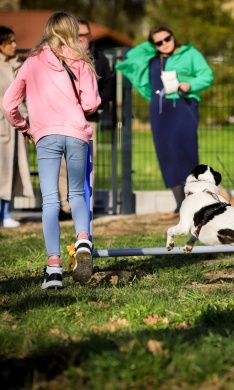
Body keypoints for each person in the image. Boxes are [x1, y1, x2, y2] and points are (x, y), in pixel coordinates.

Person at [2, 12, 101, 289]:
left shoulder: (31, 62)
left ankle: (54, 268)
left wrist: (25, 127)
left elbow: (9, 104)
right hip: (76, 132)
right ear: (71, 31)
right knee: (77, 193)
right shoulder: (80, 59)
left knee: (50, 201)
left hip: (45, 135)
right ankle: (83, 239)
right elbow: (92, 103)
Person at [116, 25, 214, 218]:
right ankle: (180, 206)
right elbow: (134, 55)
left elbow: (207, 75)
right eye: (158, 42)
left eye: (167, 39)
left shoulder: (190, 53)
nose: (164, 44)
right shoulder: (152, 57)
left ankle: (195, 203)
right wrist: (152, 46)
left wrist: (190, 84)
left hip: (184, 107)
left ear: (173, 36)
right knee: (166, 155)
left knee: (186, 153)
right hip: (160, 110)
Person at [58, 19, 114, 220]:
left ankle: (85, 205)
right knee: (64, 163)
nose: (83, 39)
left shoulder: (100, 59)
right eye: (79, 35)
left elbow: (108, 85)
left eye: (86, 35)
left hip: (90, 120)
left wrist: (97, 103)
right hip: (65, 119)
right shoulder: (62, 58)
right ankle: (66, 207)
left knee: (88, 162)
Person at [0, 26, 34, 228]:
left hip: (15, 127)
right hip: (2, 127)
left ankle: (5, 213)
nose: (15, 45)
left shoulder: (18, 65)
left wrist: (27, 121)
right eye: (10, 41)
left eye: (15, 41)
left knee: (10, 170)